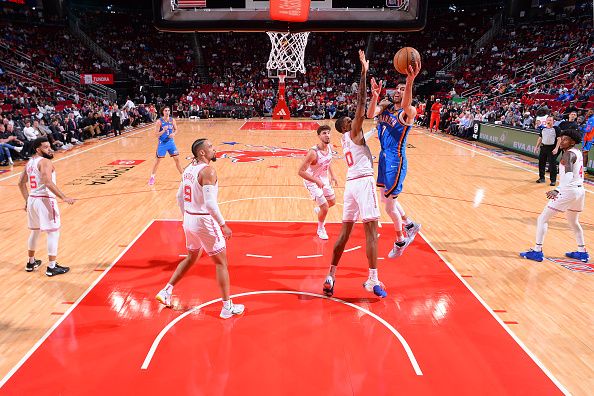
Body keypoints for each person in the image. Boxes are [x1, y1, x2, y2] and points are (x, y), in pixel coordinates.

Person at [156, 138, 244, 319]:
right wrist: (223, 225)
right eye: (210, 147)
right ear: (202, 152)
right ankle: (227, 307)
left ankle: (167, 291)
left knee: (192, 257)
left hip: (189, 219)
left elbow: (179, 196)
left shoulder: (188, 169)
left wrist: (185, 216)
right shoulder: (208, 171)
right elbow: (210, 205)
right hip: (204, 221)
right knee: (221, 263)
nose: (214, 149)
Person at [323, 50, 386, 299]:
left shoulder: (347, 141)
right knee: (371, 232)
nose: (355, 116)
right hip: (362, 183)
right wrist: (363, 72)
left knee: (344, 234)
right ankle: (372, 279)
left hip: (351, 185)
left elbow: (361, 110)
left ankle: (331, 275)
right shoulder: (353, 132)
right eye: (351, 118)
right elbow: (361, 104)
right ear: (347, 125)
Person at [367, 62, 422, 259]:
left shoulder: (408, 113)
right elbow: (369, 114)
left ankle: (400, 241)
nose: (399, 91)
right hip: (383, 157)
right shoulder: (386, 107)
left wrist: (409, 80)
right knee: (384, 199)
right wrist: (374, 97)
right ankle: (410, 224)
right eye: (397, 88)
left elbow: (407, 103)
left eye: (403, 89)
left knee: (389, 207)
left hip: (395, 160)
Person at [520, 129, 588, 263]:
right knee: (573, 221)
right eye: (561, 138)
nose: (562, 141)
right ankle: (582, 252)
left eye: (565, 139)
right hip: (580, 191)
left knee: (542, 219)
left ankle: (537, 251)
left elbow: (568, 175)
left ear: (572, 142)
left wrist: (557, 189)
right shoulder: (578, 152)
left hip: (569, 190)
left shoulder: (568, 155)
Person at [17, 137, 76, 276]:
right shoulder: (45, 162)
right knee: (53, 232)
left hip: (33, 200)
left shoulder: (30, 162)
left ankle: (31, 262)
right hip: (45, 200)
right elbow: (47, 182)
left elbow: (20, 183)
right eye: (45, 147)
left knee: (35, 231)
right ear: (38, 149)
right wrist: (64, 197)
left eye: (49, 146)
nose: (49, 149)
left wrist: (27, 200)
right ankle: (51, 267)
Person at [298, 125, 338, 239]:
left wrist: (333, 175)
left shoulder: (330, 148)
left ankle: (319, 210)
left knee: (332, 202)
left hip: (323, 179)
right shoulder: (313, 152)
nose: (327, 135)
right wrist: (316, 181)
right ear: (319, 136)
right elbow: (301, 172)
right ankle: (320, 229)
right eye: (324, 133)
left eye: (328, 133)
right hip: (311, 180)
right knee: (325, 207)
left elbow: (328, 162)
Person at [148, 107, 183, 185]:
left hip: (171, 143)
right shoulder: (159, 122)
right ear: (163, 112)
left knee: (177, 159)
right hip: (162, 143)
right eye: (165, 111)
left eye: (168, 110)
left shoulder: (172, 120)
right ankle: (152, 177)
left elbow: (176, 129)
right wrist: (163, 130)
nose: (167, 112)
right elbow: (156, 134)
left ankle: (183, 176)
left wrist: (174, 134)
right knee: (157, 161)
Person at [534, 116, 561, 186]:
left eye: (550, 120)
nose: (549, 121)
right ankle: (541, 178)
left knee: (552, 165)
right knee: (541, 163)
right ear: (546, 121)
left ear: (553, 121)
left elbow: (559, 139)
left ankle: (553, 180)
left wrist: (556, 148)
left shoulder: (556, 129)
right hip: (543, 147)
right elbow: (540, 138)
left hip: (552, 148)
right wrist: (536, 147)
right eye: (548, 120)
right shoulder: (543, 129)